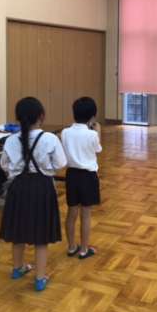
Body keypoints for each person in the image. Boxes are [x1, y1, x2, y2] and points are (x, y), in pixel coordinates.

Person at [0, 97, 66, 292]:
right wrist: (47, 167)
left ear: (18, 118)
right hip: (42, 188)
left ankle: (17, 268)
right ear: (41, 116)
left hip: (18, 188)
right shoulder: (50, 138)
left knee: (18, 231)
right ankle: (40, 278)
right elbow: (61, 163)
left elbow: (4, 165)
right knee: (41, 235)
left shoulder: (11, 139)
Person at [61, 97, 102, 260]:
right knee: (86, 214)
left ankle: (71, 246)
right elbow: (98, 149)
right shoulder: (92, 134)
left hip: (71, 175)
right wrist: (98, 131)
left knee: (71, 212)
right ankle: (84, 249)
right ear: (92, 116)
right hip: (88, 176)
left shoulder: (65, 132)